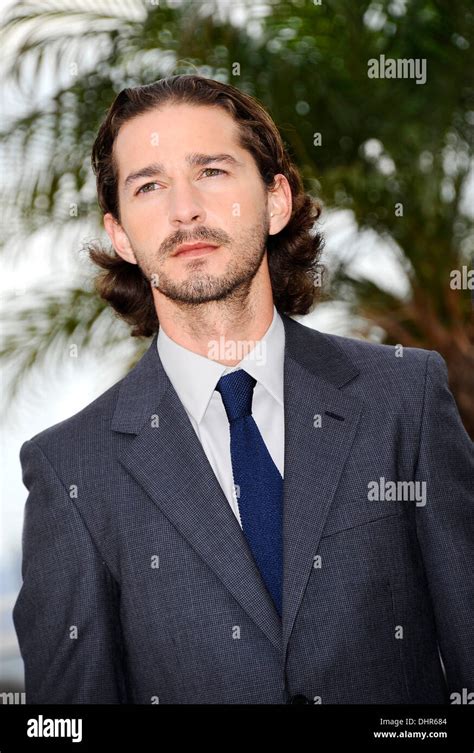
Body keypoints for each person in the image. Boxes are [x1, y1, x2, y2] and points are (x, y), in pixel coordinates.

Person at [13, 75, 474, 705]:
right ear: (120, 234)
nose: (185, 210)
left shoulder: (405, 399)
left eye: (212, 171)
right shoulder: (69, 470)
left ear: (276, 200)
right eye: (149, 186)